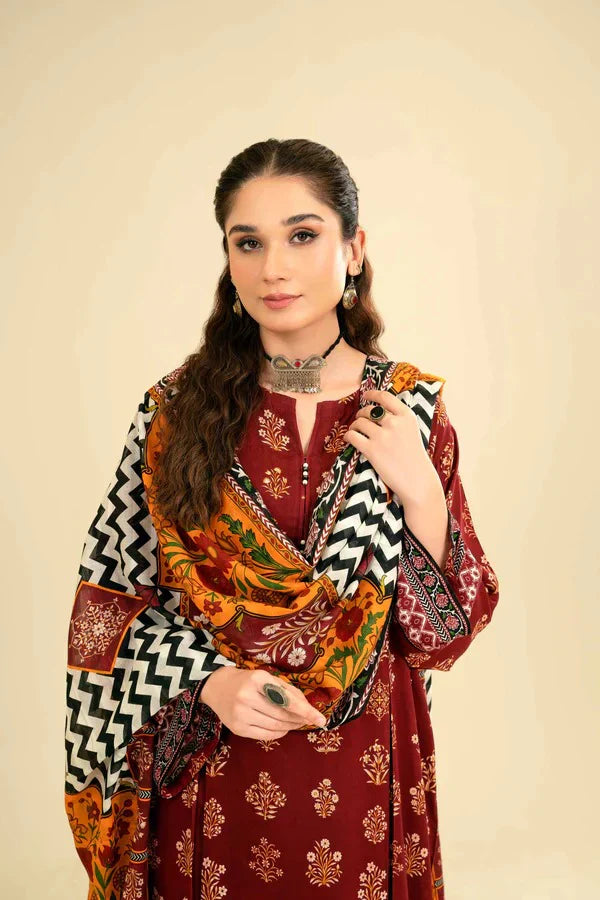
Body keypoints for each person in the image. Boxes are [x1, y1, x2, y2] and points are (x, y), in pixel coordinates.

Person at [64, 137, 500, 899]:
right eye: (249, 242)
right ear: (227, 260)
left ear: (353, 248)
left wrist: (421, 490)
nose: (274, 267)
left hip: (366, 771)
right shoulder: (172, 414)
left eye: (303, 235)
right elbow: (107, 615)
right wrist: (206, 682)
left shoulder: (409, 410)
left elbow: (444, 635)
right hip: (215, 766)